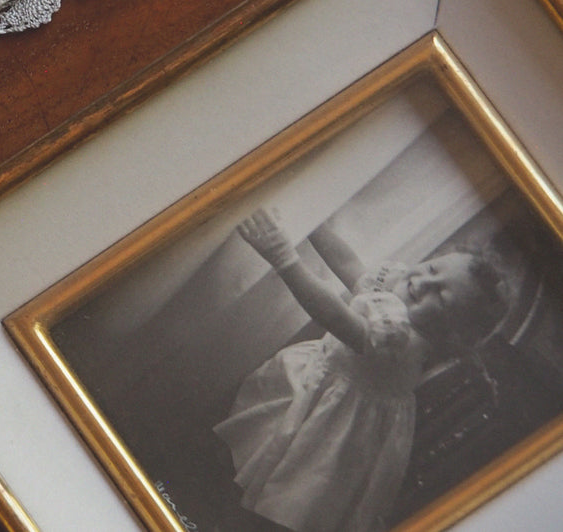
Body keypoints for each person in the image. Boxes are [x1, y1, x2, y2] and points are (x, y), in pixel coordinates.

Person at [214, 208, 509, 532]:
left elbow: (337, 317)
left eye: (440, 293)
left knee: (288, 490)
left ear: (453, 333)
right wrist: (317, 222)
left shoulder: (403, 343)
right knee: (261, 463)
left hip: (333, 431)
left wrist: (283, 256)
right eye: (432, 269)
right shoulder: (401, 299)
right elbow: (350, 267)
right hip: (321, 388)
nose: (422, 282)